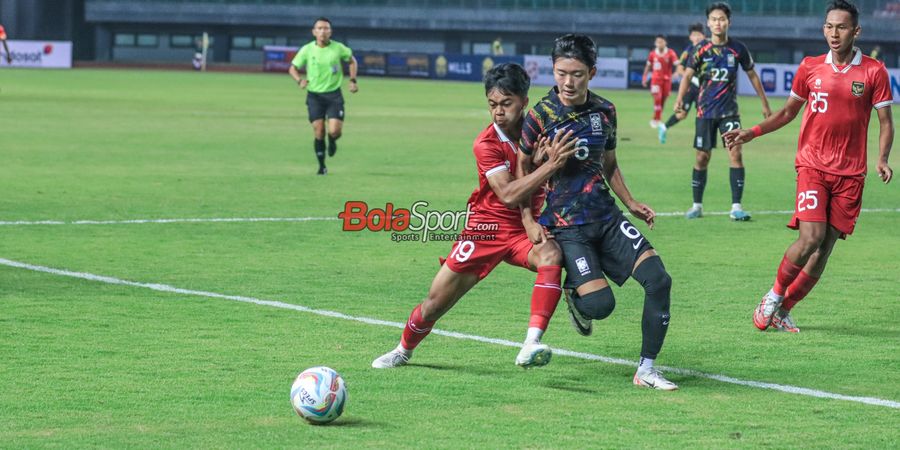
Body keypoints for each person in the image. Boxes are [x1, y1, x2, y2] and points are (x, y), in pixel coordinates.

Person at [372, 63, 579, 370]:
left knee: (552, 255)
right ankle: (403, 349)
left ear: (524, 100)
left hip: (527, 228)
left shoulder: (540, 131)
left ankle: (531, 344)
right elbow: (508, 194)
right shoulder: (486, 144)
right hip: (486, 229)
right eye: (492, 104)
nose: (498, 112)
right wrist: (547, 166)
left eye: (506, 104)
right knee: (435, 303)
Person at [724, 0, 893, 333]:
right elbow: (788, 113)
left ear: (856, 31)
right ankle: (772, 297)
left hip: (851, 174)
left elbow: (886, 121)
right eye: (829, 26)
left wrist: (883, 158)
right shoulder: (810, 67)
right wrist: (752, 133)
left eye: (842, 27)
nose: (834, 33)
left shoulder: (874, 71)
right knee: (811, 237)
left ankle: (784, 310)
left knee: (824, 247)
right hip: (813, 166)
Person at [519, 34, 678, 390]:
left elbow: (609, 163)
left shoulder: (605, 111)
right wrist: (529, 219)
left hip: (607, 218)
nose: (568, 82)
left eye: (576, 73)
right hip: (567, 226)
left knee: (659, 280)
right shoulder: (540, 116)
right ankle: (577, 297)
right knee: (601, 306)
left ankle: (647, 370)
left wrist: (631, 202)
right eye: (561, 73)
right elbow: (520, 171)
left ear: (591, 72)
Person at [674, 2, 772, 221]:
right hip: (705, 112)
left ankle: (736, 207)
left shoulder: (738, 48)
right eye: (714, 19)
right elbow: (688, 76)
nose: (718, 23)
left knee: (736, 152)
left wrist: (764, 103)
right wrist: (679, 99)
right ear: (708, 23)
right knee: (702, 157)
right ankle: (696, 205)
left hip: (729, 112)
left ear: (729, 22)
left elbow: (753, 75)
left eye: (722, 19)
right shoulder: (700, 49)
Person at [289, 17, 358, 175]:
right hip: (314, 96)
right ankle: (322, 166)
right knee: (319, 131)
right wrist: (299, 80)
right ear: (314, 32)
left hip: (334, 95)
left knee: (334, 131)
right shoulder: (307, 49)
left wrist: (353, 80)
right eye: (319, 28)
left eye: (326, 28)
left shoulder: (338, 48)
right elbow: (292, 68)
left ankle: (332, 140)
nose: (323, 31)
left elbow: (352, 60)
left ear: (330, 31)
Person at [658, 23, 706, 144]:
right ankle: (664, 127)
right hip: (690, 88)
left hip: (704, 88)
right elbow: (679, 69)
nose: (697, 37)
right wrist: (693, 79)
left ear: (704, 36)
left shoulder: (708, 48)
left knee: (703, 112)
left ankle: (702, 138)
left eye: (699, 35)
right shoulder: (688, 51)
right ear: (690, 37)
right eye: (694, 35)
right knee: (682, 114)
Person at [642, 34, 680, 129]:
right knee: (657, 98)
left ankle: (656, 117)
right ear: (655, 43)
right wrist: (644, 77)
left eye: (661, 42)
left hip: (667, 81)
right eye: (657, 42)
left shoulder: (670, 53)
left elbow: (678, 64)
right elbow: (648, 66)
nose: (659, 44)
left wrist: (676, 72)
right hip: (655, 80)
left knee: (663, 100)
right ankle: (657, 120)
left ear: (665, 42)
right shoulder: (652, 54)